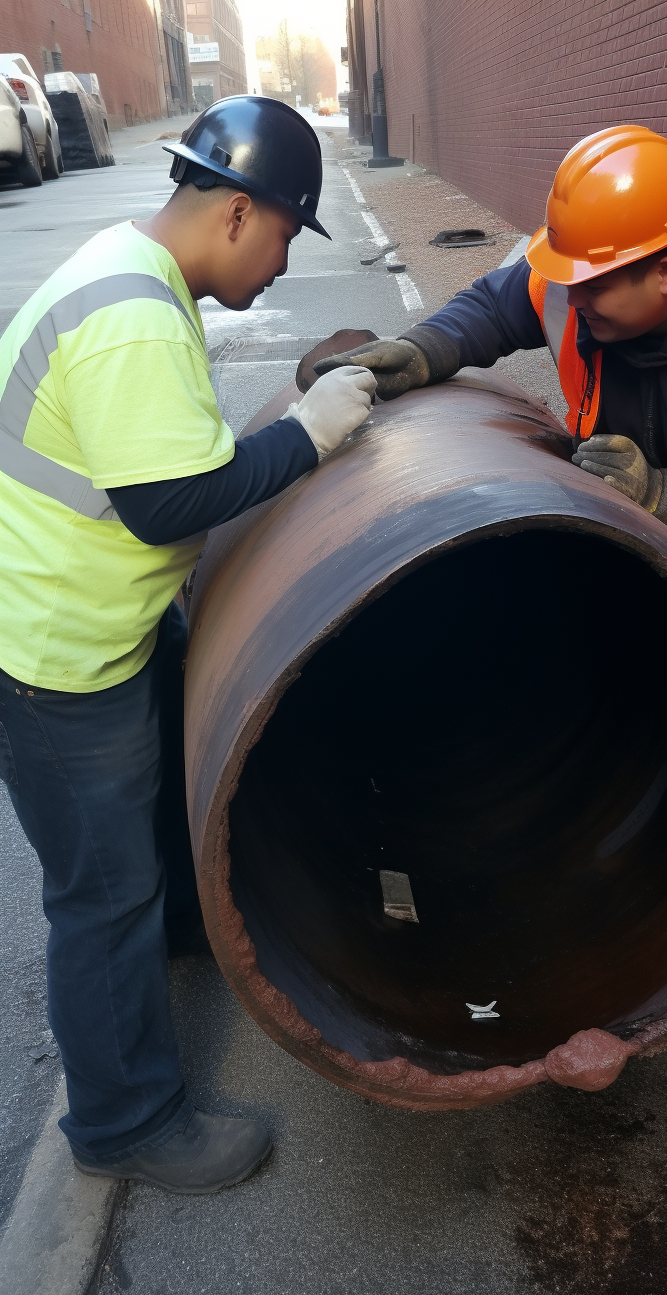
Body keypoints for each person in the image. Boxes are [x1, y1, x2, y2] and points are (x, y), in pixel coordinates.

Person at [315, 123, 667, 1068]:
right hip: (593, 549)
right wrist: (420, 352)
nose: (569, 303)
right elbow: (496, 306)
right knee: (612, 716)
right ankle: (611, 890)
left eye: (592, 290)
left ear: (665, 275)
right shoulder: (583, 273)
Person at [0, 96, 376, 1193]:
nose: (277, 265)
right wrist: (308, 438)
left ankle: (173, 938)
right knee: (97, 893)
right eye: (284, 238)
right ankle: (125, 1121)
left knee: (150, 831)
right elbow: (170, 501)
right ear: (241, 212)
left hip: (96, 619)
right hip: (53, 653)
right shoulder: (129, 310)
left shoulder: (138, 278)